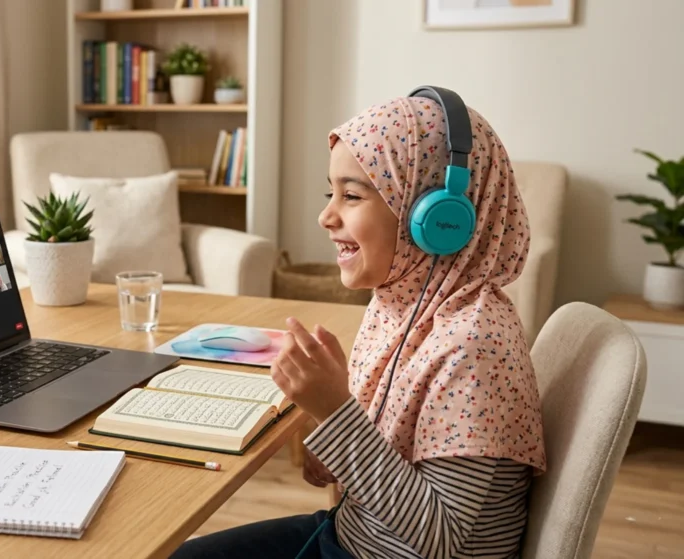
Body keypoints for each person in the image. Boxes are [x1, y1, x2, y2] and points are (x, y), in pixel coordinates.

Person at [171, 94, 546, 558]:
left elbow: (440, 538)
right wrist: (334, 438)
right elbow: (387, 453)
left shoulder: (473, 344)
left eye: (351, 195)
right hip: (353, 536)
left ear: (439, 219)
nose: (326, 216)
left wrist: (333, 412)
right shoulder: (400, 303)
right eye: (329, 193)